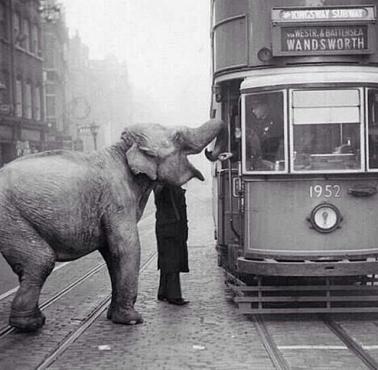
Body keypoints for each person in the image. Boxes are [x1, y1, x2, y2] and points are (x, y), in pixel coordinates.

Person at [154, 183, 189, 306]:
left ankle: (163, 291)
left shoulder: (161, 187)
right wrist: (182, 230)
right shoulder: (170, 188)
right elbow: (178, 210)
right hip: (172, 228)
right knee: (173, 262)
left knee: (166, 261)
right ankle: (174, 295)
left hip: (164, 227)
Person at [246, 95, 284, 170]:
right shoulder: (256, 124)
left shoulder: (276, 122)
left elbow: (273, 144)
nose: (253, 111)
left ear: (264, 106)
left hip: (272, 162)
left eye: (255, 107)